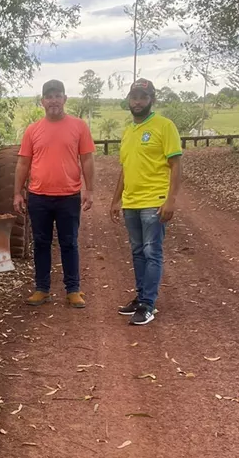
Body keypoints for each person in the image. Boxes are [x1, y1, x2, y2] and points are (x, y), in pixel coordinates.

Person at [14, 79, 95, 308]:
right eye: (49, 97)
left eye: (58, 95)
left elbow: (87, 160)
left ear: (65, 99)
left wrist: (89, 190)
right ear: (43, 101)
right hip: (39, 197)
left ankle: (73, 289)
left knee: (69, 243)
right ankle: (42, 289)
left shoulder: (79, 127)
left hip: (69, 196)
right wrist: (17, 193)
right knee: (41, 243)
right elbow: (23, 163)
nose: (54, 101)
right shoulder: (33, 130)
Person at [109, 78, 182, 326]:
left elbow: (176, 165)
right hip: (131, 202)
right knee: (138, 252)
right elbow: (125, 169)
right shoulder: (129, 131)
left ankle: (149, 304)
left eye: (143, 97)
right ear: (129, 100)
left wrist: (170, 200)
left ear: (152, 99)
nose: (137, 101)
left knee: (152, 252)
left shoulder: (164, 126)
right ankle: (140, 298)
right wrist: (115, 200)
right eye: (134, 97)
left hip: (154, 201)